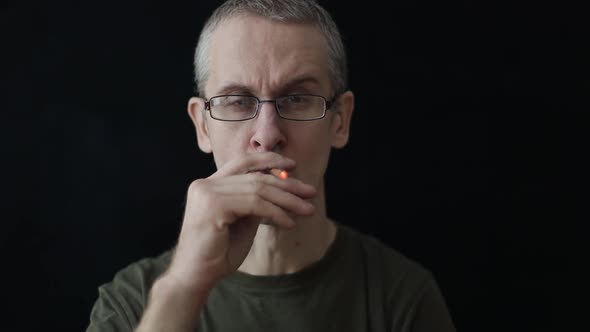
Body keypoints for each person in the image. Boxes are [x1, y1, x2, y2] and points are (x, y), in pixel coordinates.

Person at [86, 0, 457, 331]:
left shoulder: (402, 297)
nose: (267, 135)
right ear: (202, 125)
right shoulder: (132, 302)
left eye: (296, 98)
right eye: (237, 100)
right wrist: (183, 287)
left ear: (340, 120)